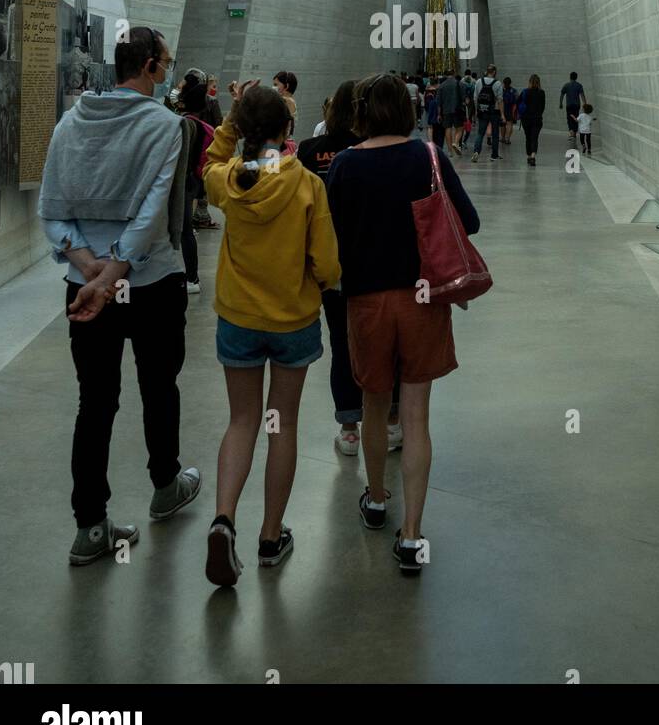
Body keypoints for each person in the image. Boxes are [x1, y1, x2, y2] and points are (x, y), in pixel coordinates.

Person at [39, 26, 201, 566]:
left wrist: (89, 271)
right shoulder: (165, 126)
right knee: (159, 386)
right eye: (167, 62)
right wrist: (111, 276)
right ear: (152, 66)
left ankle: (90, 527)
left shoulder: (71, 121)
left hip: (85, 289)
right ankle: (165, 485)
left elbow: (53, 208)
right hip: (151, 283)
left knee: (95, 402)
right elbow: (154, 212)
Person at [326, 74, 480, 575]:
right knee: (415, 416)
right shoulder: (427, 156)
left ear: (362, 112)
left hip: (366, 302)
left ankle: (374, 498)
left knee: (374, 407)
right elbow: (469, 221)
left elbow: (331, 236)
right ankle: (412, 535)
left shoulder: (346, 165)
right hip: (422, 298)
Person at [202, 82, 341, 587]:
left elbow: (208, 165)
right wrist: (320, 282)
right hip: (292, 323)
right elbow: (326, 263)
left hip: (238, 319)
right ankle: (269, 535)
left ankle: (223, 520)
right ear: (287, 130)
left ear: (243, 130)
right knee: (280, 425)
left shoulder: (229, 179)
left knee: (241, 421)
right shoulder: (306, 184)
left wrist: (229, 125)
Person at [298, 81, 402, 458]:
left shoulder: (309, 151)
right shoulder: (371, 152)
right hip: (376, 265)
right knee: (388, 343)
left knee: (343, 344)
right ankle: (391, 420)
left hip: (332, 268)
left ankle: (349, 428)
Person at [176, 72, 216, 292]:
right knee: (186, 230)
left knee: (183, 230)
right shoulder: (201, 125)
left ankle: (192, 279)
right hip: (194, 180)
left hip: (182, 181)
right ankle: (192, 278)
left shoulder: (185, 125)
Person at [471, 65, 503, 163]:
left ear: (486, 71)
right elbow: (500, 100)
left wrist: (476, 110)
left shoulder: (479, 81)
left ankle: (476, 151)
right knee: (495, 134)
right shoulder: (497, 83)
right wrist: (502, 114)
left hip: (482, 110)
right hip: (494, 111)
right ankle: (494, 155)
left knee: (480, 133)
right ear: (494, 72)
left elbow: (475, 98)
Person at [519, 74, 546, 166]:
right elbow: (543, 107)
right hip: (537, 119)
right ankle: (533, 156)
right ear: (539, 82)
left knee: (528, 137)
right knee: (534, 138)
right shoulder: (542, 92)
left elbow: (518, 102)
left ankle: (529, 156)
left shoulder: (525, 92)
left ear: (529, 82)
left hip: (526, 119)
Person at [438, 71, 464, 156]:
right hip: (457, 109)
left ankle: (450, 151)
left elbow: (439, 102)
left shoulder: (442, 85)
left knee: (448, 128)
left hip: (446, 110)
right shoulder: (459, 83)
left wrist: (439, 114)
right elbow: (464, 98)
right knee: (459, 128)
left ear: (446, 75)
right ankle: (456, 142)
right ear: (454, 74)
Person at [559, 72, 586, 145]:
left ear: (570, 77)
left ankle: (571, 133)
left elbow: (562, 94)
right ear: (576, 77)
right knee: (576, 118)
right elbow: (582, 95)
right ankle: (574, 133)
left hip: (569, 105)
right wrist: (585, 104)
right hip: (576, 105)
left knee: (569, 118)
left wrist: (560, 103)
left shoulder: (566, 85)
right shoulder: (579, 85)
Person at [272, 71, 298, 135]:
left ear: (286, 86)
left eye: (276, 85)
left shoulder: (288, 101)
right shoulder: (289, 101)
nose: (273, 87)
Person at [501, 77, 518, 146]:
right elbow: (517, 100)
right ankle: (507, 139)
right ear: (510, 83)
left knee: (502, 124)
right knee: (510, 124)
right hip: (511, 109)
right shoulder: (514, 91)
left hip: (503, 109)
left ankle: (503, 138)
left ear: (503, 83)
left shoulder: (501, 90)